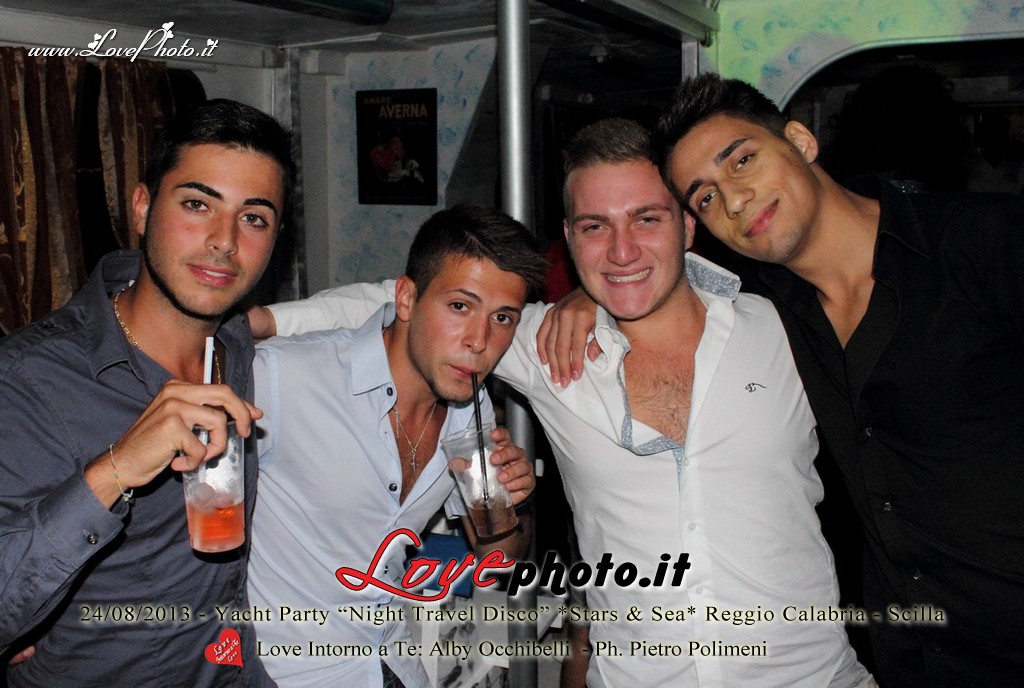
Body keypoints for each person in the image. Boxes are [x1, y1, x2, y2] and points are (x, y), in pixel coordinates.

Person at [249, 121, 872, 688]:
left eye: (646, 219)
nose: (622, 251)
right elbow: (400, 303)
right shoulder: (532, 341)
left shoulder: (787, 329)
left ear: (687, 226)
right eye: (596, 227)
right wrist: (251, 325)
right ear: (570, 240)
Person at [647, 72, 1024, 687]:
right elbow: (645, 273)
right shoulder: (768, 308)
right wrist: (588, 300)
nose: (734, 201)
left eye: (742, 160)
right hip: (914, 661)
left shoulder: (983, 242)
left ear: (801, 141)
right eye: (706, 198)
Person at [0, 99, 293, 686]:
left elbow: (380, 311)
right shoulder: (31, 377)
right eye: (197, 204)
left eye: (254, 218)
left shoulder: (235, 341)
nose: (224, 241)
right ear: (141, 207)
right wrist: (116, 469)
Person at [246, 204, 544, 688]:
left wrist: (513, 501)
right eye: (460, 306)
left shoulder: (471, 409)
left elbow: (501, 558)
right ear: (406, 299)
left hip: (395, 665)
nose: (480, 340)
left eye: (503, 317)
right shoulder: (282, 377)